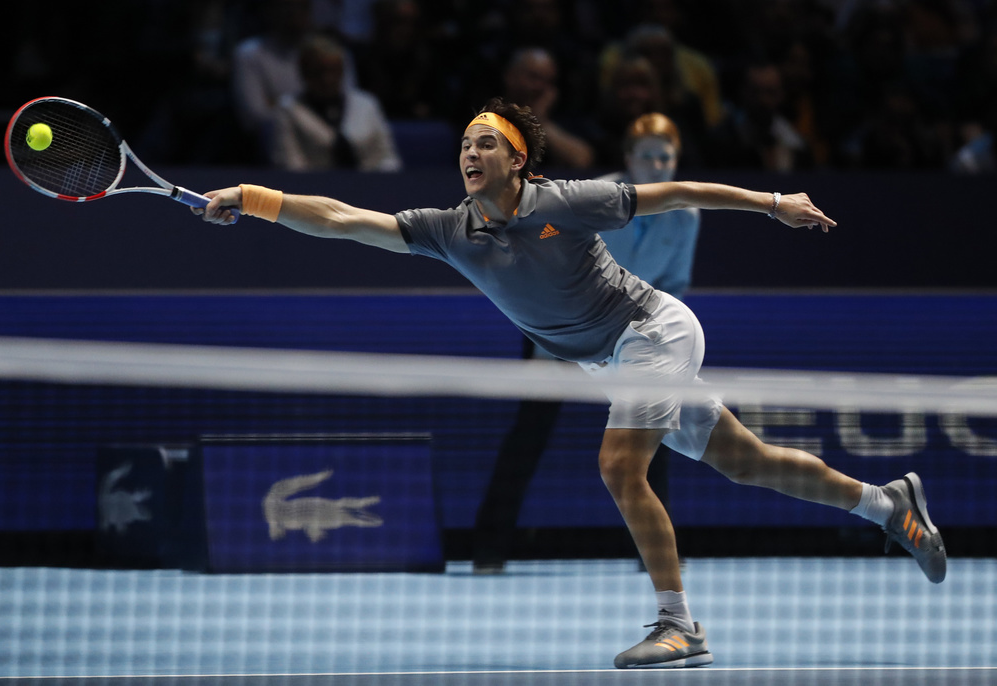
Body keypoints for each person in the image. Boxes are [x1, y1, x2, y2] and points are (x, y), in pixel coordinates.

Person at [193, 97, 947, 669]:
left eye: (487, 142)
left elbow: (676, 193)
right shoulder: (448, 229)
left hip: (651, 330)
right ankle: (886, 504)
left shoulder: (564, 202)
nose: (470, 151)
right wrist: (256, 199)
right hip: (605, 360)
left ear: (518, 160)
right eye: (464, 143)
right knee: (748, 462)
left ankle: (677, 623)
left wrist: (773, 203)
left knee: (618, 466)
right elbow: (338, 217)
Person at [472, 112, 697, 575]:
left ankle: (655, 554)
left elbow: (674, 283)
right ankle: (488, 550)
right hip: (563, 334)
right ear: (629, 159)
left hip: (632, 338)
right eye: (647, 157)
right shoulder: (596, 197)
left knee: (654, 440)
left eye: (665, 158)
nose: (657, 166)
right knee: (528, 439)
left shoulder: (685, 216)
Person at [269, 35, 402, 172]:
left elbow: (388, 157)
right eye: (319, 71)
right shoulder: (289, 108)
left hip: (371, 185)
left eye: (334, 70)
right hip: (314, 188)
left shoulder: (366, 104)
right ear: (304, 72)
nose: (328, 79)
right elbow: (291, 164)